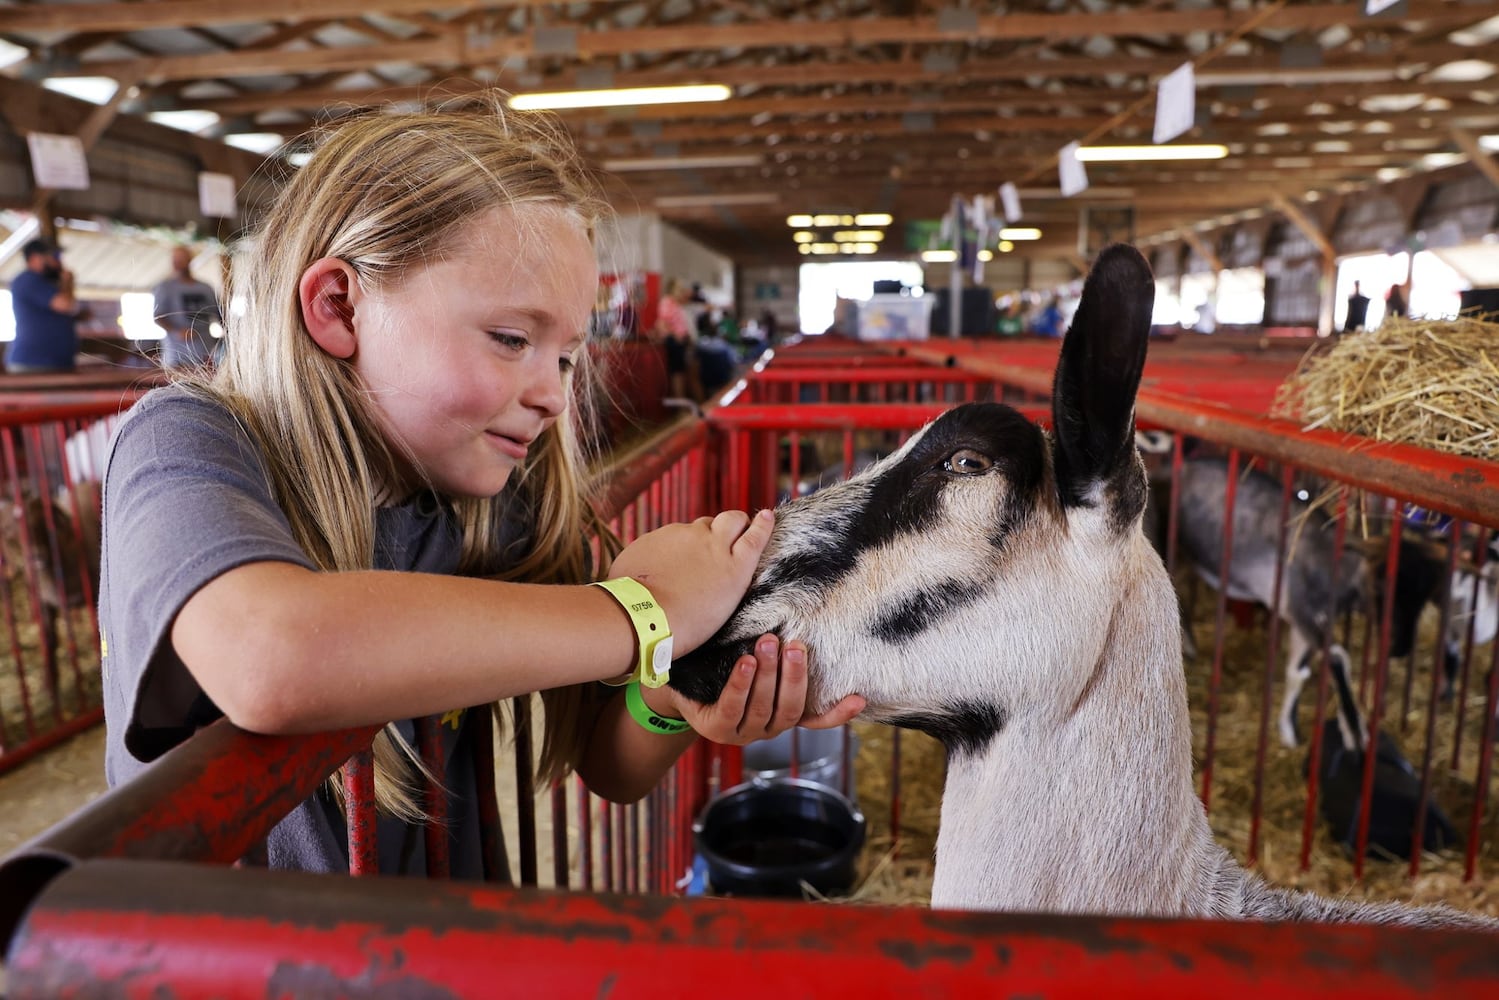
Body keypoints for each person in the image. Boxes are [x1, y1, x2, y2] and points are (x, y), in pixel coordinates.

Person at [99, 94, 864, 879]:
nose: (554, 395)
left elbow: (610, 763)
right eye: (510, 339)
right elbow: (269, 659)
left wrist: (670, 698)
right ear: (337, 306)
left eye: (565, 356)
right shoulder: (187, 439)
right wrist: (649, 610)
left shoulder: (493, 501)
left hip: (428, 954)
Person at [6, 237, 85, 373]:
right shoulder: (28, 280)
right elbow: (65, 305)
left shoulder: (47, 284)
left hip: (55, 363)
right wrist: (67, 282)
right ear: (35, 258)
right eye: (54, 256)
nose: (58, 261)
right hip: (34, 364)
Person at [152, 245, 224, 368]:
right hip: (178, 355)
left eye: (181, 259)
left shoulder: (205, 288)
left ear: (190, 260)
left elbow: (220, 314)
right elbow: (158, 316)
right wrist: (176, 331)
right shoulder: (165, 288)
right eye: (175, 260)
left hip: (206, 352)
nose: (177, 263)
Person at [653, 278, 700, 401]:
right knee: (677, 373)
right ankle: (681, 403)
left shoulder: (675, 303)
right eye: (679, 289)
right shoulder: (667, 302)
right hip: (675, 342)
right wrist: (676, 336)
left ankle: (684, 401)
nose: (682, 292)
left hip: (681, 341)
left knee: (682, 372)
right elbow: (663, 323)